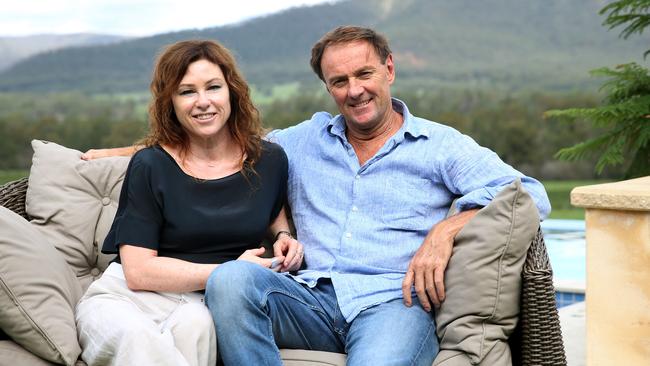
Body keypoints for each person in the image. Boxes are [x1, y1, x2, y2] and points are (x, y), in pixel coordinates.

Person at [84, 26, 551, 365]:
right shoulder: (302, 140)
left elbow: (527, 194)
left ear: (389, 69)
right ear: (327, 87)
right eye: (339, 82)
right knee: (230, 279)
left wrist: (447, 229)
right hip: (306, 298)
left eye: (364, 74)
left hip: (392, 303)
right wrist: (122, 152)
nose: (355, 91)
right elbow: (215, 137)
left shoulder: (441, 145)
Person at [75, 40, 303, 366]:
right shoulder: (151, 166)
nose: (203, 102)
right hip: (128, 299)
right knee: (138, 341)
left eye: (213, 87)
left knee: (197, 328)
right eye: (187, 92)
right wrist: (231, 271)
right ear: (170, 102)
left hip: (198, 307)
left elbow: (269, 203)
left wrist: (283, 236)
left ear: (232, 92)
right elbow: (138, 272)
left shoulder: (269, 160)